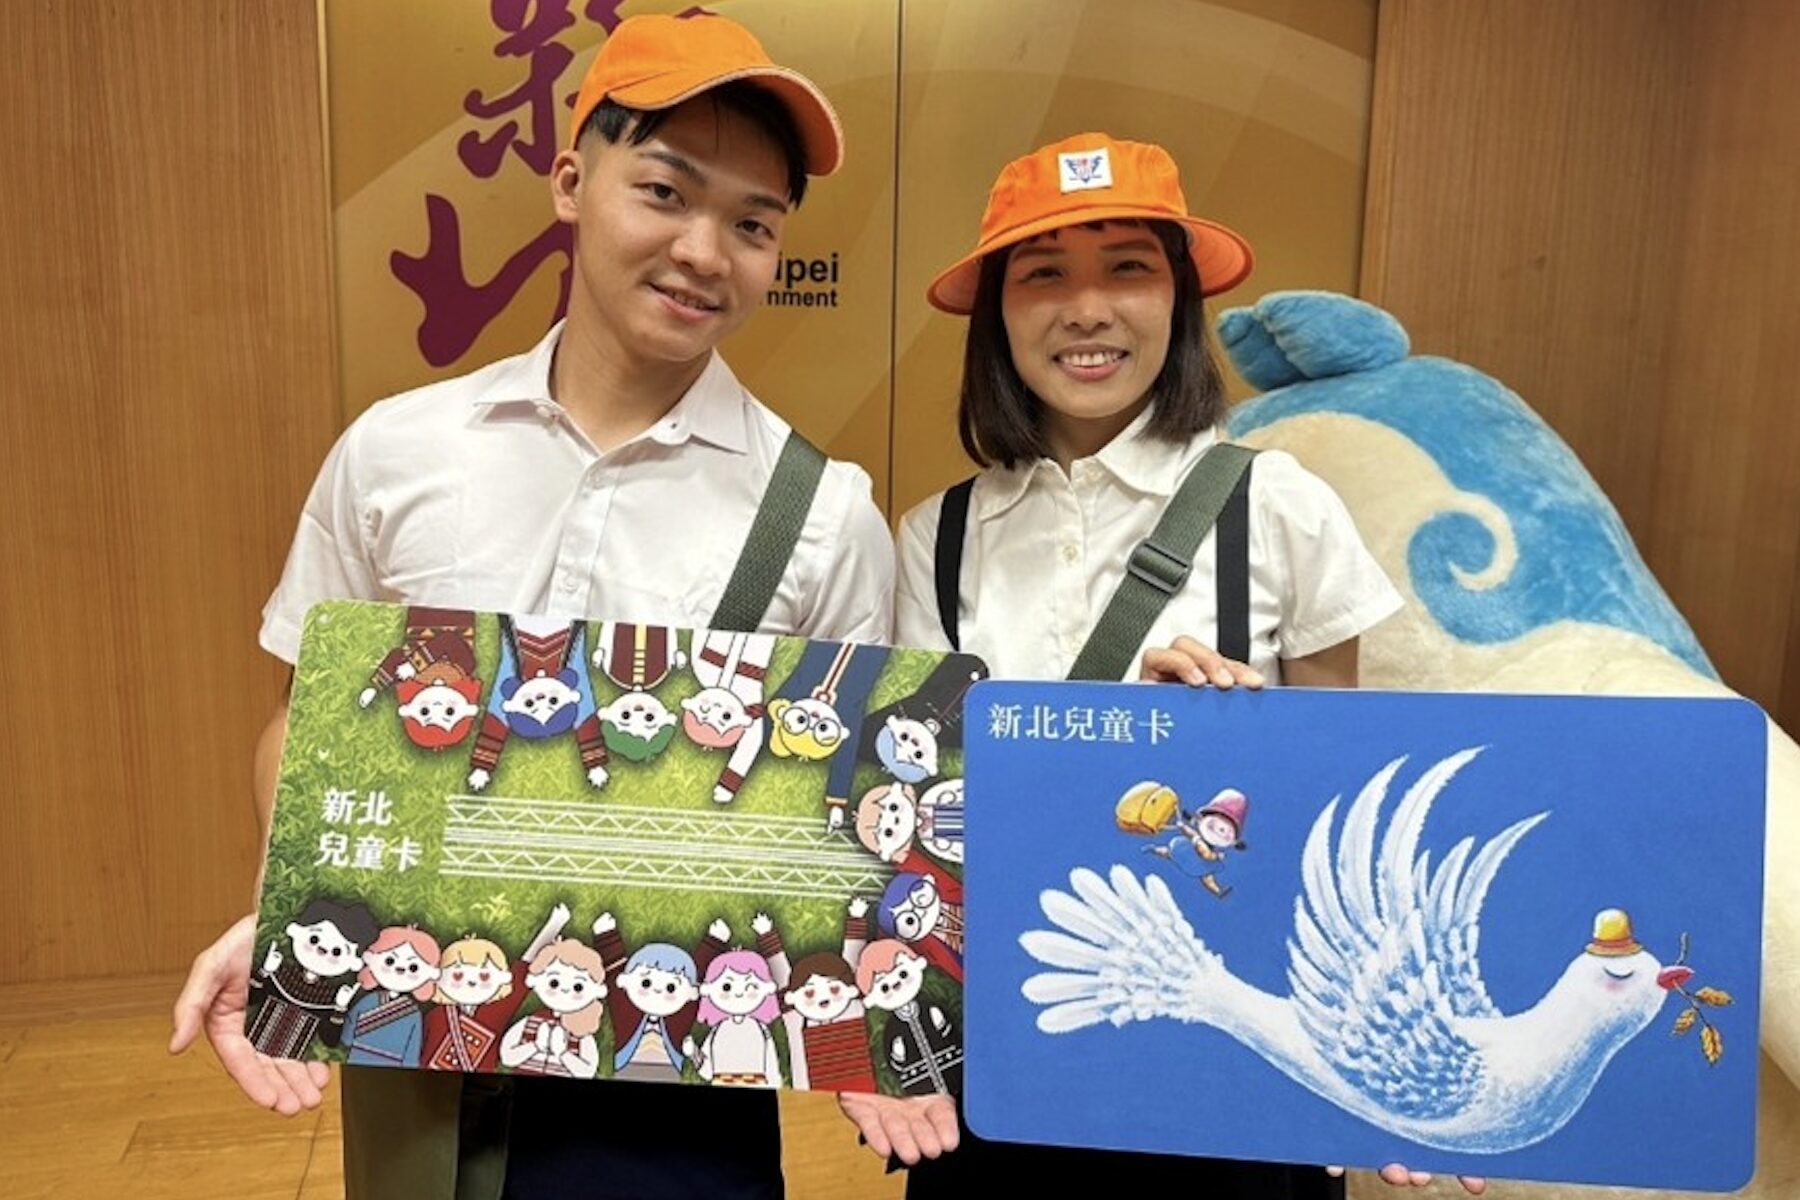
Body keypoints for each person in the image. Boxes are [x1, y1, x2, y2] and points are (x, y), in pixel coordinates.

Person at [168, 13, 893, 1199]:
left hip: (673, 1088)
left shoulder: (824, 516)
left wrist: (870, 1008)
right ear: (569, 182)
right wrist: (291, 907)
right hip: (414, 1051)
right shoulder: (398, 452)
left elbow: (837, 825)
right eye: (664, 191)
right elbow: (305, 726)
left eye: (753, 225)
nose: (704, 251)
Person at [838, 131, 1485, 1195]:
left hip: (1234, 1061)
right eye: (1044, 274)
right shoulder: (934, 536)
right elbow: (913, 814)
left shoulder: (1278, 504)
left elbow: (1336, 791)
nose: (1088, 309)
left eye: (1128, 267)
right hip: (1010, 1057)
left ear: (1179, 299)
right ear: (997, 315)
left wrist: (1236, 738)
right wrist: (885, 1038)